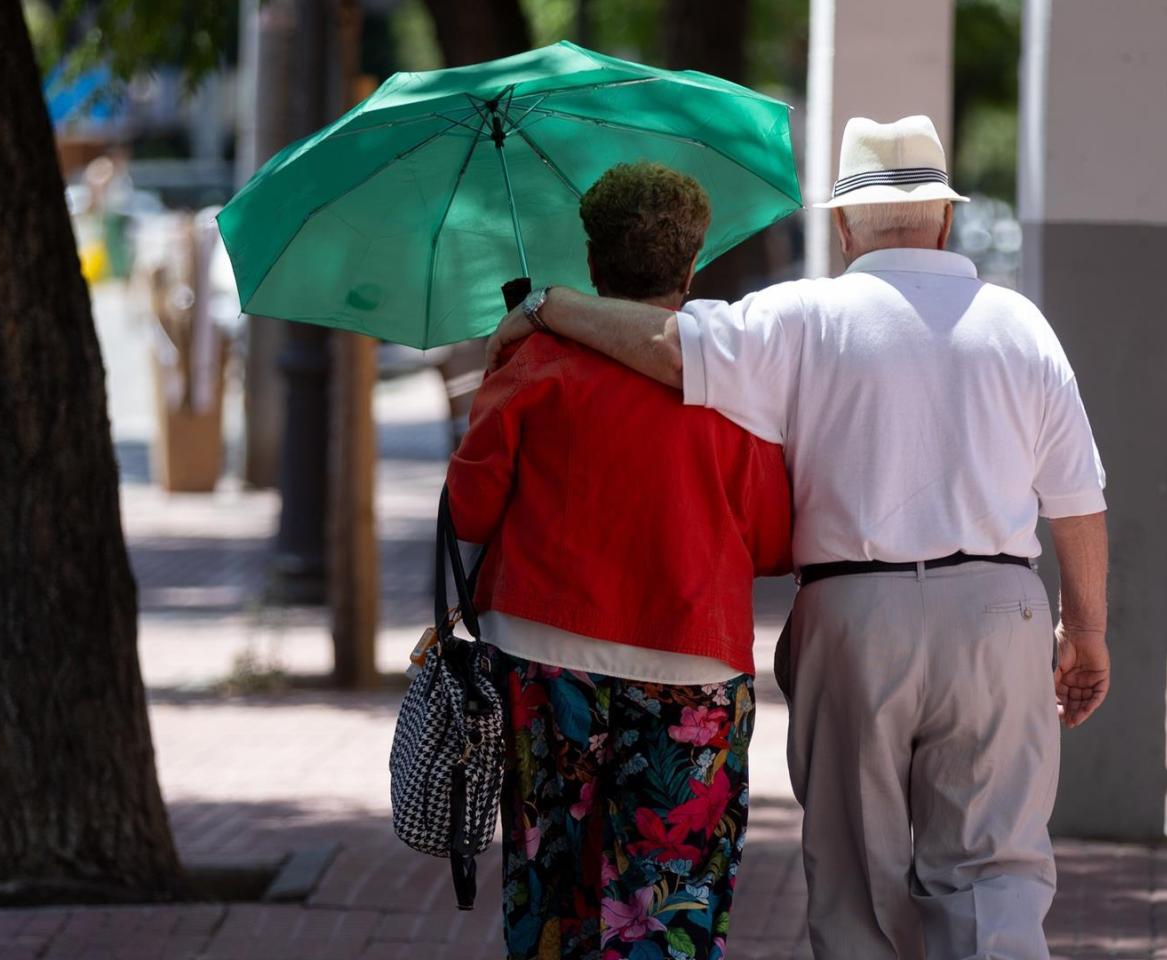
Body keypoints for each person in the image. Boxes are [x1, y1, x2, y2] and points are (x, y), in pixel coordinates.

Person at [485, 116, 1111, 960]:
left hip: (855, 616)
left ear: (844, 226)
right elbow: (1076, 498)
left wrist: (549, 306)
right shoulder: (1021, 325)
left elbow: (668, 346)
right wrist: (1088, 630)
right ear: (947, 220)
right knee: (994, 869)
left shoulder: (801, 314)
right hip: (1000, 614)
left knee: (858, 881)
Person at [447, 162, 793, 960]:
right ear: (692, 264)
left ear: (595, 265)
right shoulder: (735, 387)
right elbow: (772, 541)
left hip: (545, 657)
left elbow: (469, 506)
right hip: (690, 661)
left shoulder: (535, 365)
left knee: (552, 891)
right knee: (671, 901)